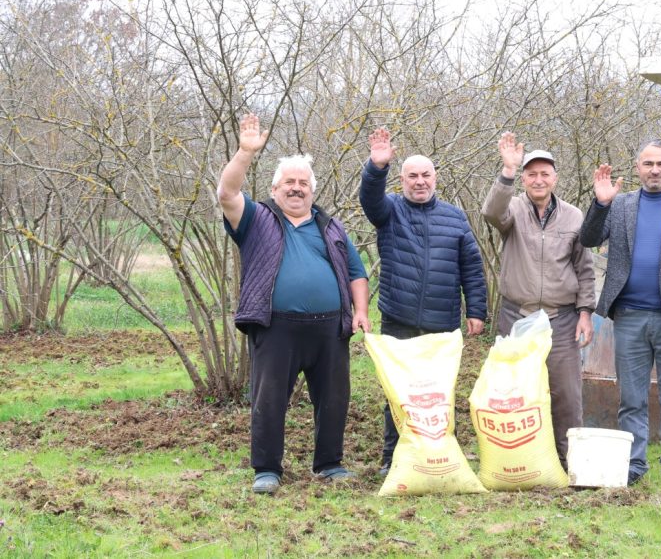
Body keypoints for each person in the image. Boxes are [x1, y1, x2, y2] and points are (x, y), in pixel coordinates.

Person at [217, 113, 370, 495]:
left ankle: (329, 464)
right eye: (290, 182)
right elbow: (226, 194)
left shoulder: (331, 227)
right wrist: (245, 152)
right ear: (275, 188)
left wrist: (361, 311)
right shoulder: (257, 219)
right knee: (268, 401)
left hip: (330, 328)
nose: (297, 188)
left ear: (312, 191)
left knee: (334, 399)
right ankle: (267, 469)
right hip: (276, 326)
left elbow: (356, 272)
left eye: (303, 183)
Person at [578, 139, 661, 490]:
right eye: (648, 164)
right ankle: (633, 464)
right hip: (630, 317)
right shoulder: (620, 206)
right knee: (631, 398)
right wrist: (600, 203)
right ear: (638, 168)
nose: (655, 170)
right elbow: (589, 239)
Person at [358, 126, 488, 476]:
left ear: (435, 178)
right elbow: (369, 199)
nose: (420, 181)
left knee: (438, 393)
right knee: (398, 392)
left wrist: (476, 310)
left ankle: (437, 455)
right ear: (401, 180)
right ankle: (392, 457)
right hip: (398, 317)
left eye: (426, 175)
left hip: (442, 322)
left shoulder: (455, 216)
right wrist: (376, 166)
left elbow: (472, 267)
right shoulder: (390, 211)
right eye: (412, 175)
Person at [480, 132, 596, 469]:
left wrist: (585, 313)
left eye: (545, 173)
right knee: (512, 391)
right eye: (531, 174)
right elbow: (490, 212)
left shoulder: (574, 216)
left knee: (566, 394)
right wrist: (507, 170)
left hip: (561, 321)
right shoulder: (512, 209)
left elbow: (585, 269)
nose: (538, 179)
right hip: (516, 317)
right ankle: (515, 460)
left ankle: (569, 463)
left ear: (555, 178)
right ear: (524, 178)